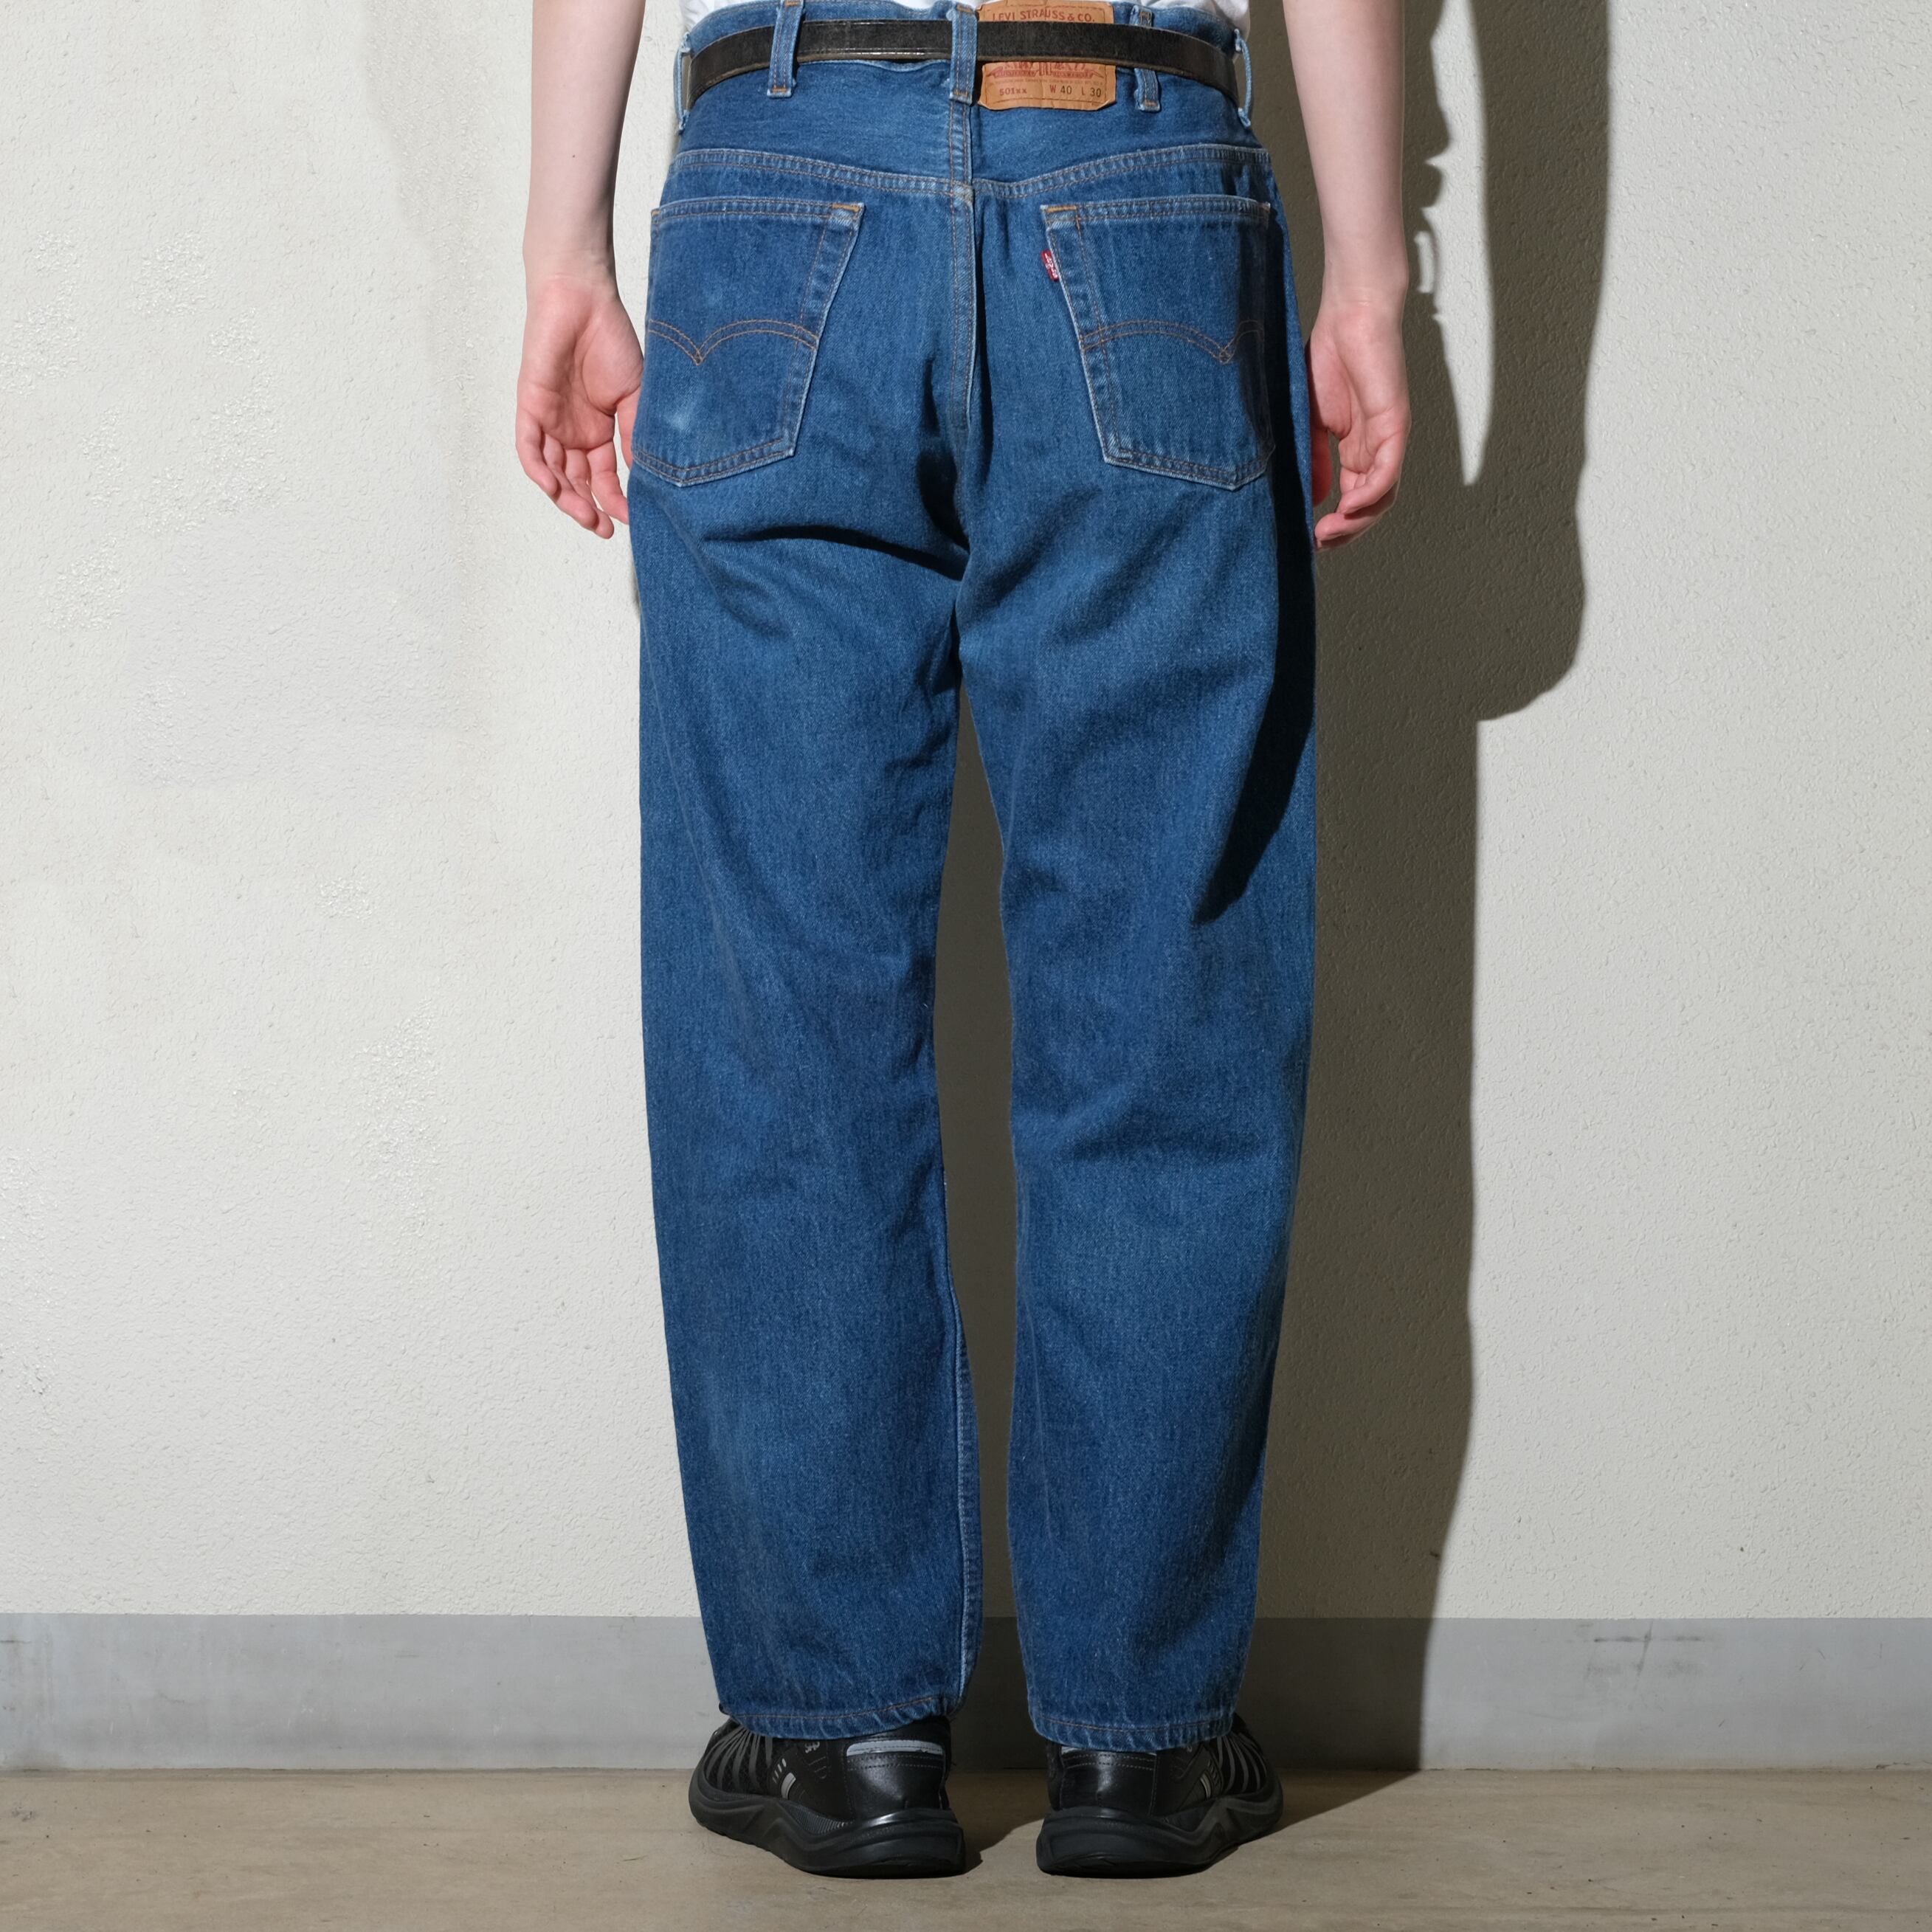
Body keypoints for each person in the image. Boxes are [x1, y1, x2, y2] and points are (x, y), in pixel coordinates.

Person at [517, 0, 1407, 1882]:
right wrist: (1365, 266)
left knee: (782, 1014)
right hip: (1138, 178)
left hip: (778, 178)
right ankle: (1143, 1747)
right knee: (1162, 1009)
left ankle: (842, 1733)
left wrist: (563, 248)